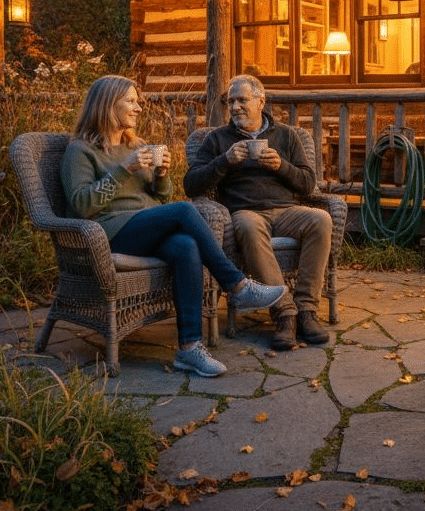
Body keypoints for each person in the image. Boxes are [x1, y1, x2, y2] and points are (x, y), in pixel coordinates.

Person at [61, 75, 286, 377]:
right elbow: (81, 204)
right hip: (108, 234)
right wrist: (124, 169)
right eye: (131, 100)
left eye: (137, 101)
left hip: (144, 228)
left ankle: (189, 349)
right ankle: (237, 285)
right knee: (183, 209)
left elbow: (160, 197)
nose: (138, 107)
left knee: (186, 246)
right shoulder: (81, 151)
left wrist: (161, 176)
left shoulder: (136, 145)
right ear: (107, 104)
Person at [183, 74, 332, 351]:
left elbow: (308, 183)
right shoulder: (218, 139)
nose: (235, 106)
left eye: (242, 100)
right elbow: (191, 185)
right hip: (245, 212)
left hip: (287, 210)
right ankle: (285, 314)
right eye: (231, 101)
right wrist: (224, 161)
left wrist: (281, 166)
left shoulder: (286, 135)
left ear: (261, 101)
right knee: (249, 227)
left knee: (321, 219)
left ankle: (307, 311)